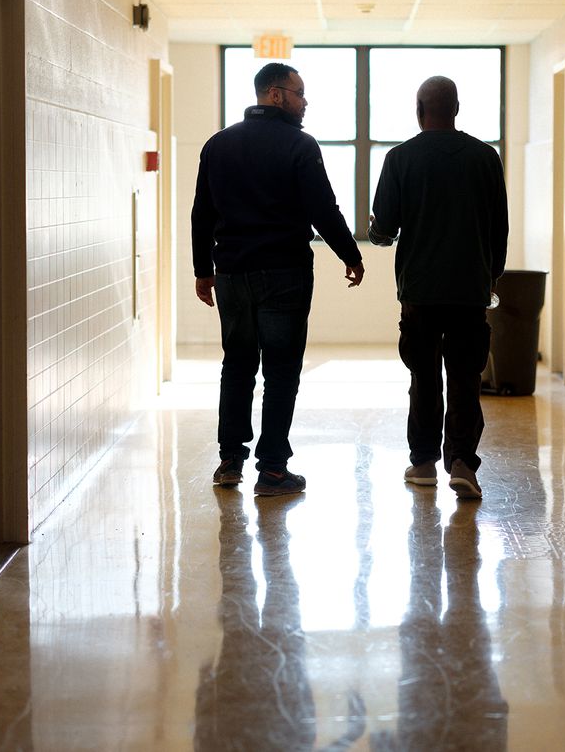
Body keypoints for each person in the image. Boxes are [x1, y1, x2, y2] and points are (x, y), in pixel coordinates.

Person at [192, 62, 364, 496]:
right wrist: (351, 254)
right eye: (299, 93)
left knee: (237, 365)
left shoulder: (218, 145)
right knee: (282, 371)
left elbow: (202, 214)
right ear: (274, 94)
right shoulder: (300, 145)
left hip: (231, 273)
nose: (305, 102)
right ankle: (271, 470)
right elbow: (323, 209)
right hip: (284, 272)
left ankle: (230, 461)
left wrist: (202, 271)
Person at [368, 76, 508, 499]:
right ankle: (463, 462)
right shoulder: (485, 158)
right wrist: (490, 277)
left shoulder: (400, 159)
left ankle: (424, 462)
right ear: (457, 109)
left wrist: (377, 232)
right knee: (466, 376)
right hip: (469, 289)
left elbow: (384, 229)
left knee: (424, 376)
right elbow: (498, 228)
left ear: (418, 109)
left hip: (420, 291)